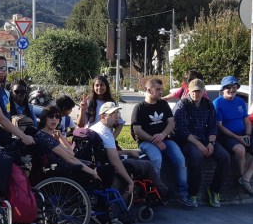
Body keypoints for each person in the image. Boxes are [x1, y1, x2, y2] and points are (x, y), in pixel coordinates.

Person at [132, 78, 195, 208]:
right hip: (146, 142)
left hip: (165, 139)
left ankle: (182, 194)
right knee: (156, 159)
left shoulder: (163, 104)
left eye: (161, 89)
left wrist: (162, 135)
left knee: (180, 159)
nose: (161, 92)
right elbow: (137, 130)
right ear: (149, 90)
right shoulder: (139, 108)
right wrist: (154, 140)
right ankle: (156, 194)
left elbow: (171, 123)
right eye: (158, 89)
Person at [172, 79, 230, 208]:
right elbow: (182, 130)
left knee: (224, 156)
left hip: (205, 138)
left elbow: (213, 127)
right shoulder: (182, 105)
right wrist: (200, 145)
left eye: (198, 91)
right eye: (193, 91)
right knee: (196, 157)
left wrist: (211, 143)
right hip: (188, 140)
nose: (196, 94)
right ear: (189, 91)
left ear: (203, 91)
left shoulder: (208, 104)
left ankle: (214, 190)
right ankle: (193, 193)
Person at [212, 76, 253, 197]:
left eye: (234, 87)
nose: (231, 90)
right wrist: (238, 138)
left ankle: (246, 178)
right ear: (223, 89)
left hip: (243, 134)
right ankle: (242, 177)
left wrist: (247, 134)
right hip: (227, 136)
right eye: (228, 87)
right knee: (240, 150)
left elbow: (246, 120)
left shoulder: (240, 102)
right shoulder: (217, 103)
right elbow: (220, 126)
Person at [0, 55, 34, 147]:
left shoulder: (1, 89)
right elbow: (0, 119)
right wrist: (23, 137)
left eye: (4, 68)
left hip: (5, 137)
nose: (1, 72)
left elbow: (7, 113)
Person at [34, 105, 99, 181]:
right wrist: (92, 172)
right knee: (95, 169)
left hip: (62, 168)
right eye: (51, 116)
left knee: (92, 165)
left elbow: (71, 153)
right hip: (59, 171)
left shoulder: (49, 136)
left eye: (57, 117)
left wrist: (61, 137)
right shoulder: (44, 136)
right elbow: (69, 158)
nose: (54, 119)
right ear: (44, 118)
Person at [89, 102, 135, 197]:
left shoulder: (96, 127)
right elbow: (115, 162)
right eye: (112, 114)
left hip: (96, 165)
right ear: (103, 116)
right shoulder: (105, 132)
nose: (117, 116)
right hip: (104, 168)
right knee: (147, 166)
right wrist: (130, 181)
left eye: (117, 112)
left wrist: (129, 152)